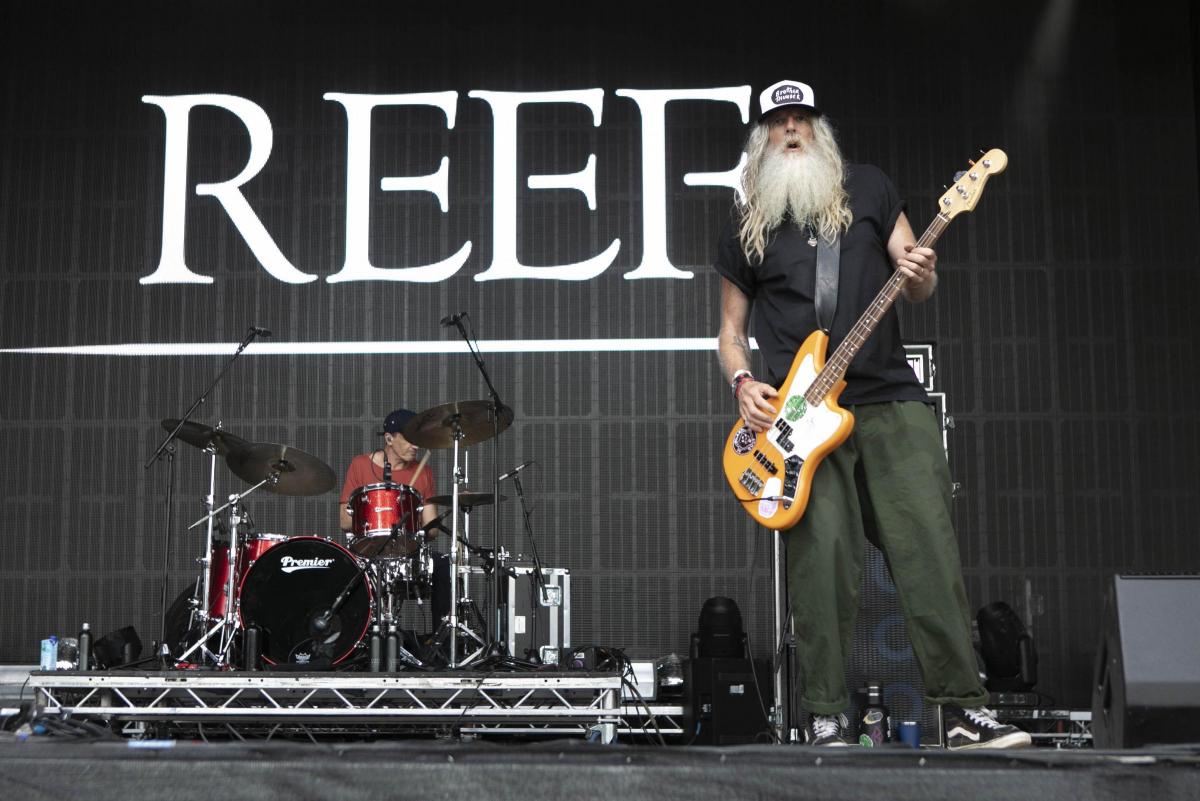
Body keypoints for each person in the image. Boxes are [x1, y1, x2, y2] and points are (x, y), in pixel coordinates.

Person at [714, 80, 1030, 749]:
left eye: (802, 117)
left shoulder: (871, 188)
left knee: (927, 550)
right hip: (802, 424)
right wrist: (742, 380)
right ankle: (825, 711)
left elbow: (919, 277)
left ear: (820, 130)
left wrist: (920, 276)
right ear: (761, 138)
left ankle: (960, 709)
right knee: (821, 562)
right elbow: (730, 333)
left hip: (888, 400)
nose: (792, 128)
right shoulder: (747, 220)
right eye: (778, 121)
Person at [340, 408, 451, 645]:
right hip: (367, 553)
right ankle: (349, 642)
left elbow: (430, 529)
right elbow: (344, 520)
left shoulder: (423, 472)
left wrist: (413, 522)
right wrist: (383, 517)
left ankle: (439, 644)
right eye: (410, 439)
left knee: (443, 567)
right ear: (389, 438)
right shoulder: (360, 465)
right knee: (338, 569)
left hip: (407, 551)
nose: (416, 446)